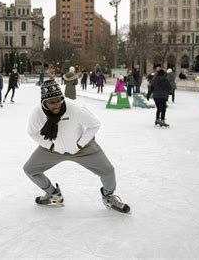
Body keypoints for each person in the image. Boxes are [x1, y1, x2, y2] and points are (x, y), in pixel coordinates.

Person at [23, 80, 130, 213]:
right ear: (44, 102)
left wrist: (80, 144)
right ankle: (53, 194)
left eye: (59, 100)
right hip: (54, 149)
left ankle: (108, 197)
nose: (56, 104)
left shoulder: (74, 108)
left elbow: (94, 124)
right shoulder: (37, 113)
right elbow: (32, 132)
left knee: (108, 171)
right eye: (52, 102)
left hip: (82, 148)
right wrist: (50, 146)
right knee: (29, 169)